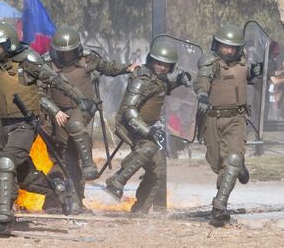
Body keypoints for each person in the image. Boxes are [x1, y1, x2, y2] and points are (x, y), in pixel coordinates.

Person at [0, 22, 96, 234]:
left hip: (24, 124)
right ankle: (58, 190)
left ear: (9, 44)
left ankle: (3, 217)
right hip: (1, 126)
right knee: (23, 175)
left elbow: (56, 81)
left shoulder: (28, 60)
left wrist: (80, 99)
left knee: (6, 162)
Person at [40, 26, 140, 213]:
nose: (66, 57)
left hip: (83, 110)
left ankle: (79, 196)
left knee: (77, 154)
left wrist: (127, 68)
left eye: (70, 53)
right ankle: (57, 201)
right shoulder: (46, 63)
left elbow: (108, 67)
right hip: (58, 115)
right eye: (62, 53)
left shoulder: (88, 59)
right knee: (61, 159)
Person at [105, 41, 190, 213]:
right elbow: (129, 111)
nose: (162, 68)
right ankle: (116, 181)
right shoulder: (141, 80)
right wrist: (147, 131)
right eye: (159, 63)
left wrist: (179, 82)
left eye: (166, 65)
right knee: (149, 148)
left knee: (158, 171)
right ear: (151, 61)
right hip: (130, 126)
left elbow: (161, 89)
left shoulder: (159, 80)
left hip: (147, 127)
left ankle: (139, 212)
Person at [193, 25, 262, 226]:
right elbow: (201, 81)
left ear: (239, 49)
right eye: (225, 47)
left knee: (232, 158)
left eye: (233, 48)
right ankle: (238, 167)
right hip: (212, 119)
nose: (229, 51)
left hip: (237, 119)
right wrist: (202, 95)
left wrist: (253, 73)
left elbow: (242, 78)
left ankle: (219, 207)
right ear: (217, 45)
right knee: (217, 164)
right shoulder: (210, 62)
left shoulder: (242, 63)